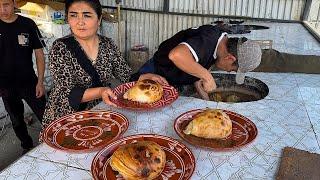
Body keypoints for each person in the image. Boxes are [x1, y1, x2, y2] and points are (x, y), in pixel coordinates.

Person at [42, 0, 166, 129]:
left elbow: (126, 74)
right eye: (73, 15)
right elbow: (68, 93)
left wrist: (143, 78)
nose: (80, 22)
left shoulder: (108, 45)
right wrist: (101, 91)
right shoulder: (60, 48)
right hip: (66, 116)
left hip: (98, 112)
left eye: (87, 15)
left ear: (99, 19)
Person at [131, 24, 262, 99]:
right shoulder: (209, 39)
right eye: (233, 69)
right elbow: (176, 55)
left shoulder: (219, 48)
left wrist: (207, 103)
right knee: (135, 98)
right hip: (156, 71)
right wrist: (208, 76)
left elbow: (197, 75)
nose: (228, 71)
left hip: (172, 79)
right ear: (230, 58)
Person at [0, 0, 46, 153]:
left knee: (46, 115)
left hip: (30, 82)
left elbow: (39, 54)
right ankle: (26, 146)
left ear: (14, 3)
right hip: (5, 86)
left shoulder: (28, 24)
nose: (2, 9)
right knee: (16, 120)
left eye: (5, 4)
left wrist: (40, 81)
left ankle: (53, 141)